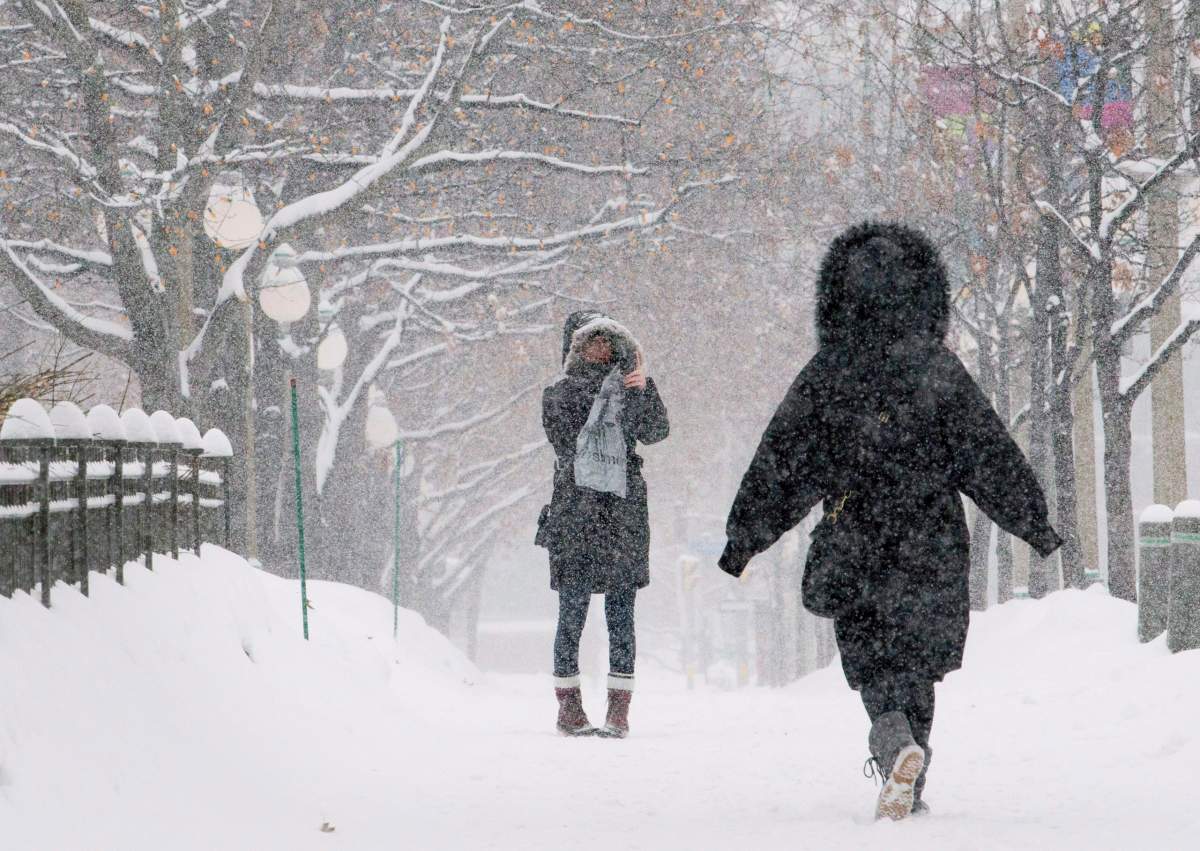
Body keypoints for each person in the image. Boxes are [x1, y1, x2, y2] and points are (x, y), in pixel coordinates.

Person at [718, 222, 1062, 819]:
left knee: (873, 655)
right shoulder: (939, 369)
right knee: (919, 658)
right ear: (925, 294)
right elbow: (988, 452)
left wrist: (743, 539)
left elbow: (784, 459)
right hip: (931, 532)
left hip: (856, 533)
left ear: (837, 295)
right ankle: (912, 766)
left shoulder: (828, 373)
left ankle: (892, 739)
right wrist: (1033, 524)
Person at [538, 312, 669, 738]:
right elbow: (562, 437)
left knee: (621, 615)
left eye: (608, 342)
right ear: (575, 348)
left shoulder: (631, 389)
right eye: (592, 342)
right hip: (575, 515)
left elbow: (657, 431)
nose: (602, 349)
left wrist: (644, 388)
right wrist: (599, 390)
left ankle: (618, 710)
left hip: (622, 518)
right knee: (571, 613)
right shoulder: (559, 393)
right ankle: (569, 708)